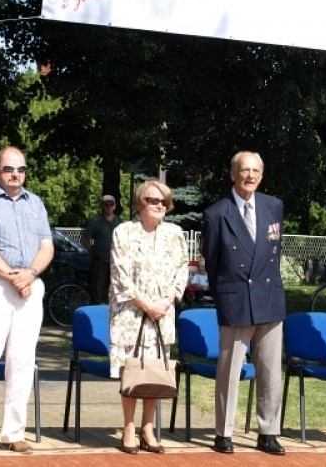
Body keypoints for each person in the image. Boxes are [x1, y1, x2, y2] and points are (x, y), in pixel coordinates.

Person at [0, 146, 54, 457]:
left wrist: (29, 274)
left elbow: (47, 247)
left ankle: (13, 433)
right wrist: (12, 277)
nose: (15, 174)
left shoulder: (36, 203)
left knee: (22, 362)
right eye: (8, 169)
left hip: (29, 287)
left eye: (21, 169)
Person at [202, 151, 286, 456]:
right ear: (232, 174)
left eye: (255, 171)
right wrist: (224, 295)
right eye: (244, 170)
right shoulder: (216, 213)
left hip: (269, 298)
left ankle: (269, 432)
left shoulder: (273, 206)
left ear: (261, 175)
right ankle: (223, 432)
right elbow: (213, 263)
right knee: (229, 371)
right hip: (235, 299)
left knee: (270, 371)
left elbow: (272, 251)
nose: (250, 176)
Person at [109, 179, 188, 455]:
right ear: (140, 203)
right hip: (131, 313)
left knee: (155, 370)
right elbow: (119, 274)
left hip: (162, 314)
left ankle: (148, 428)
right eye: (153, 200)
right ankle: (129, 427)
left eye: (163, 201)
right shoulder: (123, 232)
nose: (158, 205)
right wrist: (145, 304)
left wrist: (165, 302)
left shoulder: (175, 233)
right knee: (133, 369)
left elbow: (181, 270)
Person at [83, 194, 122, 304]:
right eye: (106, 204)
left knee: (115, 289)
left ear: (115, 206)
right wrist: (93, 253)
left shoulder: (119, 221)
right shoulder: (95, 221)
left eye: (111, 204)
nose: (108, 207)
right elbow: (86, 239)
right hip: (101, 261)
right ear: (102, 206)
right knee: (97, 290)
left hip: (117, 261)